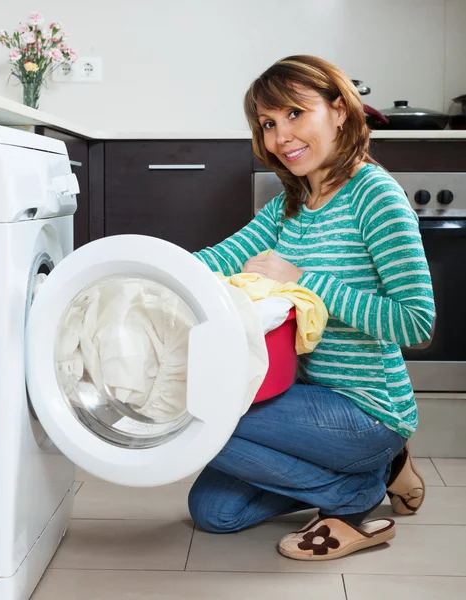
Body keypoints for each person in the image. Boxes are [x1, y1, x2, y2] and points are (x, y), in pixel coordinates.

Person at [188, 55, 435, 560]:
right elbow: (216, 259)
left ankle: (355, 492)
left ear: (339, 110)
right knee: (214, 512)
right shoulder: (288, 204)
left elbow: (417, 322)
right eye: (269, 124)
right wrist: (139, 270)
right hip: (301, 398)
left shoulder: (375, 196)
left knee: (197, 411)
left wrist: (306, 281)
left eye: (295, 114)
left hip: (367, 409)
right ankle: (372, 472)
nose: (281, 137)